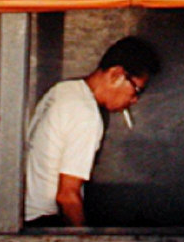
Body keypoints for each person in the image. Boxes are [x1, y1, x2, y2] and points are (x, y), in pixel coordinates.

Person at [24, 36, 160, 228]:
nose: (135, 99)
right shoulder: (86, 114)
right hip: (44, 221)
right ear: (116, 75)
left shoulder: (63, 91)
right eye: (137, 90)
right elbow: (67, 196)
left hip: (24, 215)